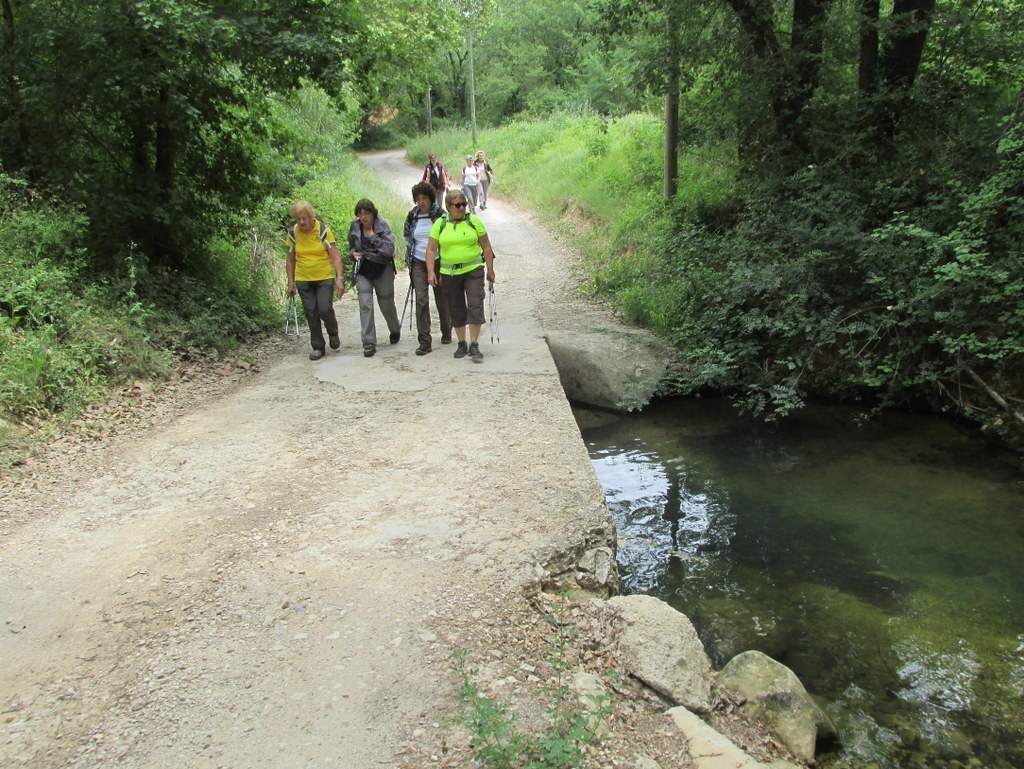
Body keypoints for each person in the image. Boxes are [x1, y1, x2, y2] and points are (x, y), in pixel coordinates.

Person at [426, 189, 495, 362]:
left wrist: (490, 269)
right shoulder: (440, 224)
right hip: (449, 273)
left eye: (464, 204)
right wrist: (431, 271)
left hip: (473, 270)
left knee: (475, 304)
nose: (462, 208)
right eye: (457, 205)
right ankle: (462, 343)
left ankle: (474, 344)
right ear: (448, 206)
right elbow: (431, 249)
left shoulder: (474, 222)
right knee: (455, 307)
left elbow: (486, 246)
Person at [285, 200, 345, 361]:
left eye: (304, 218)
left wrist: (339, 278)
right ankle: (318, 346)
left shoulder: (323, 231)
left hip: (324, 276)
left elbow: (335, 257)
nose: (302, 222)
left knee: (324, 308)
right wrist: (290, 282)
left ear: (311, 217)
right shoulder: (293, 234)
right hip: (303, 278)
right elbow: (290, 260)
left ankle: (333, 332)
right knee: (311, 312)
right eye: (298, 219)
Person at [347, 198, 401, 358]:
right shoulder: (355, 226)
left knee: (386, 303)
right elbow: (351, 245)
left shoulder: (382, 225)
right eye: (361, 214)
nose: (364, 217)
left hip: (382, 267)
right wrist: (352, 254)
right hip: (363, 268)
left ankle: (394, 328)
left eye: (367, 213)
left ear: (373, 214)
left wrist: (372, 236)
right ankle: (369, 342)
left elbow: (389, 250)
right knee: (365, 304)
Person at [403, 181, 451, 355]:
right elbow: (407, 237)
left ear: (431, 198)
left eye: (424, 198)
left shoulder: (440, 215)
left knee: (442, 298)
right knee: (421, 299)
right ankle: (424, 340)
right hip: (418, 261)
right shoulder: (412, 216)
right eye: (418, 198)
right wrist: (408, 257)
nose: (421, 202)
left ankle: (447, 330)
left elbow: (447, 238)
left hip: (439, 260)